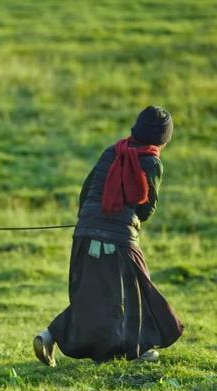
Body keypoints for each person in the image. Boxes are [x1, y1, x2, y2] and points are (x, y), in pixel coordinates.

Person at [34, 106, 184, 366]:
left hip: (85, 232)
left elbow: (86, 190)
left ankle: (49, 335)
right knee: (135, 291)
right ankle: (139, 350)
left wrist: (89, 220)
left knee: (92, 295)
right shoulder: (151, 161)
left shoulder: (112, 151)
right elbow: (146, 207)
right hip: (119, 238)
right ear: (163, 139)